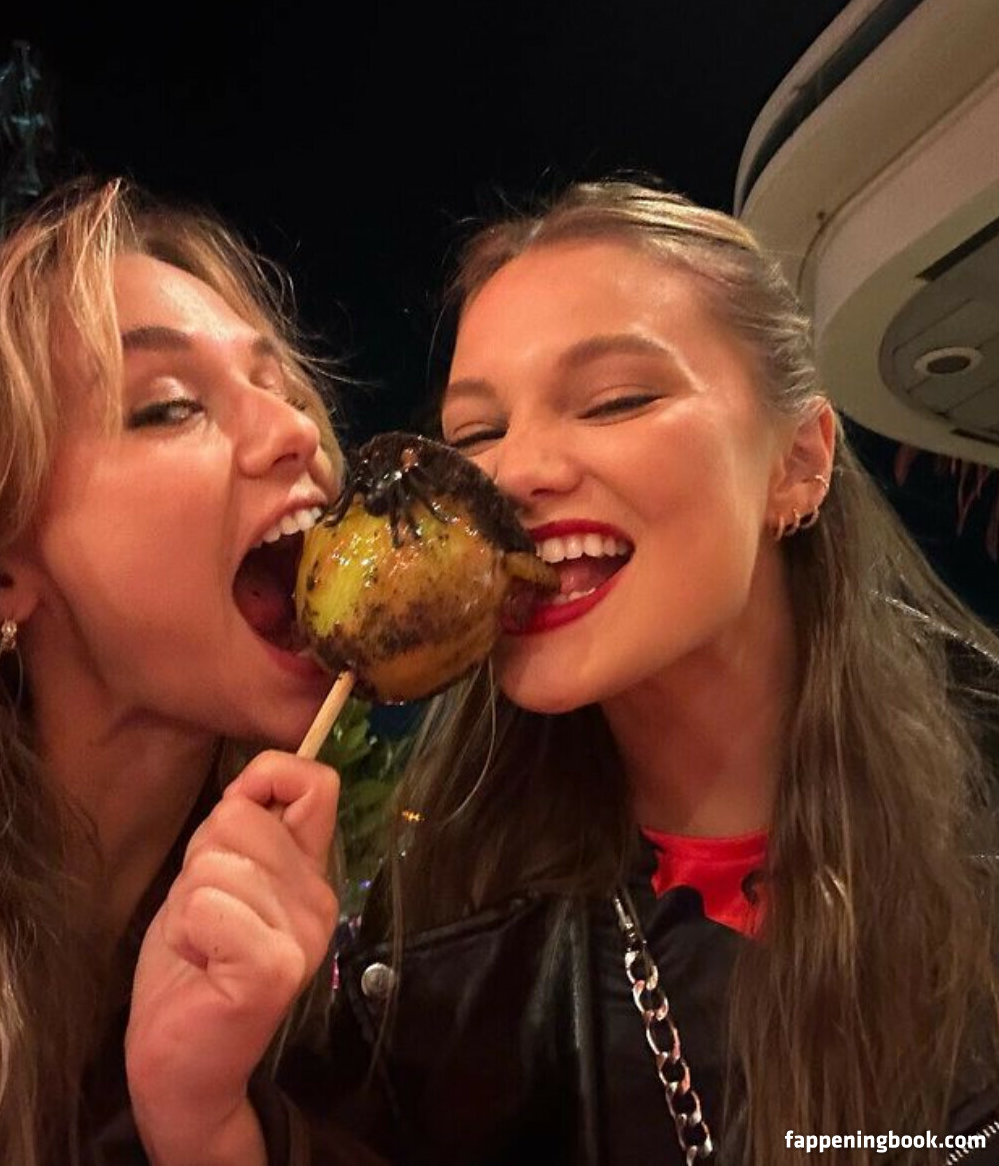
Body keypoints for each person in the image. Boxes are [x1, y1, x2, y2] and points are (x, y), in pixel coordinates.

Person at [127, 180, 999, 1165]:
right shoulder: (437, 960)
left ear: (798, 461)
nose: (513, 473)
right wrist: (200, 1117)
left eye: (616, 400)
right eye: (476, 435)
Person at [0, 178, 346, 1165]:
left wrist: (210, 1131)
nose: (301, 434)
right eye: (169, 409)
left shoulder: (314, 1009)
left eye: (286, 392)